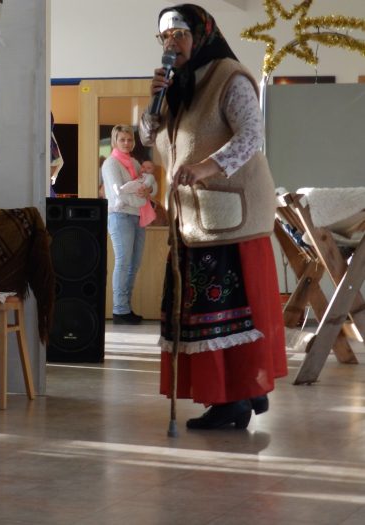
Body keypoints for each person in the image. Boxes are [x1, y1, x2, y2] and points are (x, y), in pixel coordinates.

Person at [139, 4, 286, 429]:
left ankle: (235, 398)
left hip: (228, 217)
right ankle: (236, 394)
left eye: (180, 34)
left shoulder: (229, 77)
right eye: (165, 36)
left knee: (227, 310)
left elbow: (251, 136)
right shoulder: (177, 85)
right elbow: (150, 137)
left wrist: (207, 167)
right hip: (193, 219)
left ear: (202, 35)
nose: (171, 43)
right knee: (199, 311)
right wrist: (153, 103)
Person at [101, 124, 158, 325]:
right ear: (115, 141)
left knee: (134, 263)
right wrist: (142, 196)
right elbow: (119, 193)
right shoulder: (110, 164)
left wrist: (147, 191)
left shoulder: (134, 162)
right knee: (124, 262)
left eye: (130, 139)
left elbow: (150, 186)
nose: (126, 143)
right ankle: (119, 310)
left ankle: (125, 307)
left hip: (138, 216)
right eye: (122, 139)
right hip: (120, 216)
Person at [140, 160, 170, 226]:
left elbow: (152, 190)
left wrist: (145, 187)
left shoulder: (151, 178)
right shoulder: (139, 177)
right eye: (143, 167)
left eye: (148, 168)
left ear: (153, 172)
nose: (145, 169)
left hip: (150, 203)